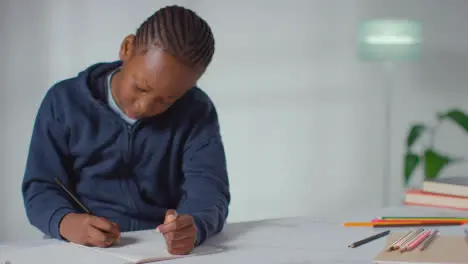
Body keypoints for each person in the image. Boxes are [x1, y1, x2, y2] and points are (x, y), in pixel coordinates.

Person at [21, 5, 230, 255]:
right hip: (78, 247)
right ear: (127, 48)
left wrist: (193, 226)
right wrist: (65, 222)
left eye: (167, 100)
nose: (144, 107)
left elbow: (209, 189)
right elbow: (40, 186)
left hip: (160, 249)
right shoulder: (63, 101)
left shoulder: (197, 110)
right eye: (141, 88)